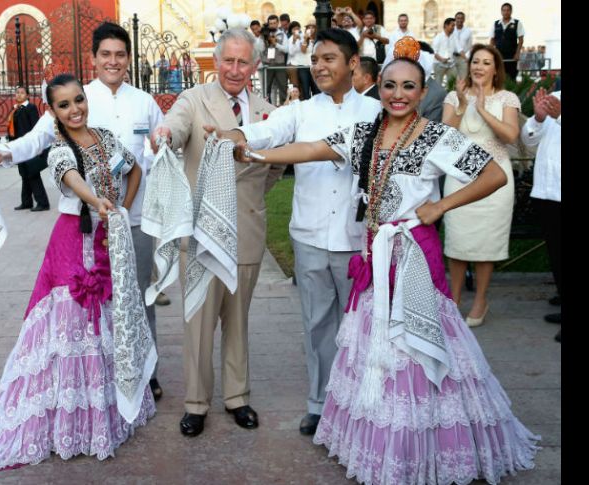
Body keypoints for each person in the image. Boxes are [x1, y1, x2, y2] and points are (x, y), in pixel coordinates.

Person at [233, 43, 540, 484]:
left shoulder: (436, 136)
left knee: (415, 345)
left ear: (422, 91)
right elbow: (311, 149)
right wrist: (253, 152)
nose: (398, 94)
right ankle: (382, 437)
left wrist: (440, 207)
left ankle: (424, 441)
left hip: (414, 255)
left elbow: (492, 174)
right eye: (390, 85)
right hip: (374, 254)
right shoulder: (366, 133)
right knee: (376, 345)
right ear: (378, 87)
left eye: (408, 87)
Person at [0, 73, 156, 472]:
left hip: (107, 238)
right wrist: (97, 201)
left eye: (78, 100)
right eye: (64, 105)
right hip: (71, 239)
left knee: (105, 322)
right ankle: (66, 418)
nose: (75, 109)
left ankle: (101, 412)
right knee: (73, 322)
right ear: (52, 111)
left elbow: (134, 170)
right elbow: (71, 177)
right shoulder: (59, 148)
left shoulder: (106, 137)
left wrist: (122, 209)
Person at [211, 28, 382, 437]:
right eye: (315, 60)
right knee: (317, 323)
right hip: (309, 235)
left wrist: (249, 147)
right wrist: (236, 136)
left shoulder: (374, 113)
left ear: (352, 63)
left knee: (360, 326)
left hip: (357, 238)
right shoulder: (302, 111)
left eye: (328, 59)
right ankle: (320, 404)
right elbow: (265, 129)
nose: (319, 67)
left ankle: (361, 401)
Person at [0, 22, 166, 400]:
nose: (113, 62)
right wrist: (5, 153)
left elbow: (155, 149)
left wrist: (129, 203)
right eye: (106, 55)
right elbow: (39, 143)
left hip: (135, 220)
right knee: (95, 302)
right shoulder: (76, 98)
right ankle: (99, 375)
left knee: (138, 297)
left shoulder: (143, 101)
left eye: (120, 55)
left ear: (128, 59)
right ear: (94, 58)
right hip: (88, 226)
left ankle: (146, 371)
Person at [151, 28, 285, 438]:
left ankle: (237, 397)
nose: (234, 69)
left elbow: (276, 163)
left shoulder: (267, 110)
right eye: (228, 60)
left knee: (238, 320)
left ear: (255, 66)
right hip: (203, 234)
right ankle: (196, 403)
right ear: (216, 60)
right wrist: (165, 135)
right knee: (198, 322)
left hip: (246, 229)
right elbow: (174, 127)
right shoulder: (195, 100)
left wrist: (248, 197)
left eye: (243, 62)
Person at [441, 44, 521, 326]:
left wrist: (484, 109)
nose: (479, 67)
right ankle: (454, 298)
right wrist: (464, 105)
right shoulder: (454, 95)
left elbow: (511, 135)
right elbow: (445, 135)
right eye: (475, 61)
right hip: (459, 179)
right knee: (458, 240)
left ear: (495, 68)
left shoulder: (507, 98)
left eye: (486, 63)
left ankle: (480, 300)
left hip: (495, 181)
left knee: (487, 244)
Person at [521, 88, 561, 342]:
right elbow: (529, 142)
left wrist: (559, 118)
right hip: (547, 191)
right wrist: (537, 118)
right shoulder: (554, 96)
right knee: (556, 252)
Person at [8, 86, 51, 212]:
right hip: (19, 146)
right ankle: (26, 202)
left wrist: (38, 145)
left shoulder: (30, 108)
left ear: (27, 96)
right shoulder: (15, 109)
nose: (19, 95)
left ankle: (43, 203)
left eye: (22, 93)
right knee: (24, 174)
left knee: (32, 173)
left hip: (29, 146)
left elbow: (35, 127)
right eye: (17, 93)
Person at [489, 2, 525, 81]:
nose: (506, 12)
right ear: (501, 11)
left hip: (512, 55)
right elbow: (492, 40)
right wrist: (491, 53)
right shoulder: (496, 24)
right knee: (498, 76)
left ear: (511, 11)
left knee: (512, 76)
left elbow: (521, 40)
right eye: (504, 10)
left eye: (508, 10)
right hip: (499, 55)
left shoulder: (517, 23)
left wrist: (517, 53)